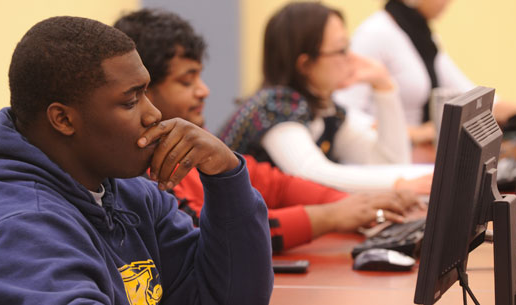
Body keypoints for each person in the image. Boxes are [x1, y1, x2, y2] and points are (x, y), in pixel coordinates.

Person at [0, 16, 272, 305]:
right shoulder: (19, 228)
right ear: (64, 119)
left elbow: (230, 296)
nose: (154, 114)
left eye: (146, 93)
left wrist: (226, 175)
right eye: (130, 101)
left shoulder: (130, 192)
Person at [114, 8, 424, 252]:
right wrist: (338, 212)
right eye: (187, 81)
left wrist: (354, 204)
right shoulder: (275, 106)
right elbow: (203, 229)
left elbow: (274, 183)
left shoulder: (325, 111)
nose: (204, 91)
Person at [217, 2, 432, 193]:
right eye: (341, 49)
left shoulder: (325, 111)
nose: (352, 58)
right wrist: (398, 183)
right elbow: (310, 173)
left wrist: (384, 86)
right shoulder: (274, 105)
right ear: (306, 65)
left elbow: (389, 162)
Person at [334, 0, 516, 143]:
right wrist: (417, 133)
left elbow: (469, 94)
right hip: (384, 155)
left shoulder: (422, 36)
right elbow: (345, 113)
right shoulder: (374, 34)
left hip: (416, 152)